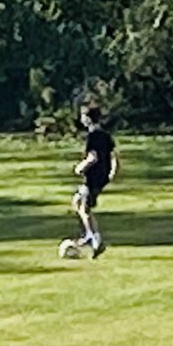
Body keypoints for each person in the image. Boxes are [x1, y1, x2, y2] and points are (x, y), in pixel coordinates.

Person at [72, 105, 118, 258]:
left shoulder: (93, 136)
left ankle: (95, 240)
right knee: (77, 201)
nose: (81, 119)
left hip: (93, 176)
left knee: (84, 208)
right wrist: (112, 171)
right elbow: (113, 156)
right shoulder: (105, 135)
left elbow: (93, 157)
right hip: (102, 176)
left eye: (82, 116)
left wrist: (80, 167)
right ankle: (89, 235)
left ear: (87, 118)